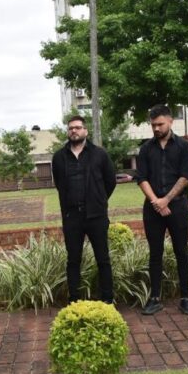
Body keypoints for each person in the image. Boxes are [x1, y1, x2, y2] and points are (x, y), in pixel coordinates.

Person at [135, 104, 188, 315]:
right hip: (152, 209)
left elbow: (185, 176)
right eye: (153, 125)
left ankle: (186, 298)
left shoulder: (183, 146)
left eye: (160, 124)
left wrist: (166, 200)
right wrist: (156, 202)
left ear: (171, 121)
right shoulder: (145, 149)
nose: (156, 128)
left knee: (181, 252)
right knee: (155, 253)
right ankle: (155, 298)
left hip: (177, 207)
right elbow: (141, 178)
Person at [51, 115, 116, 304]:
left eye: (78, 127)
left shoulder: (99, 154)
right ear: (68, 131)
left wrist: (99, 201)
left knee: (103, 259)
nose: (74, 130)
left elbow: (110, 181)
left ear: (85, 131)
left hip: (96, 216)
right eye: (71, 128)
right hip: (72, 217)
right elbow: (60, 186)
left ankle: (108, 300)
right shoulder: (59, 157)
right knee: (73, 261)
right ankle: (74, 301)